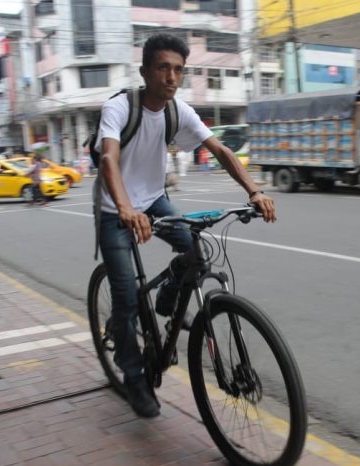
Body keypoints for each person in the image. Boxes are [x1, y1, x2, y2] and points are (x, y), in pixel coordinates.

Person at [94, 33, 275, 418]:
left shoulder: (179, 111)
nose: (171, 76)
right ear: (145, 72)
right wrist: (125, 208)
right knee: (126, 297)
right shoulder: (120, 108)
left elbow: (222, 151)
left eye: (178, 69)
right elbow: (109, 160)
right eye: (163, 67)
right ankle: (133, 376)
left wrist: (254, 191)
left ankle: (165, 300)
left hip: (154, 200)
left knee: (196, 250)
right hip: (116, 209)